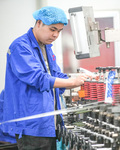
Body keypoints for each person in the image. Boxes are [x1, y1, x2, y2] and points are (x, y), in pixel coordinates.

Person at [1, 6, 89, 150]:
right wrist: (72, 82)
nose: (55, 35)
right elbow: (39, 78)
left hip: (48, 122)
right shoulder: (21, 47)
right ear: (39, 23)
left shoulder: (46, 47)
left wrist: (81, 78)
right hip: (32, 125)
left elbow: (55, 75)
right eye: (52, 29)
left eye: (59, 31)